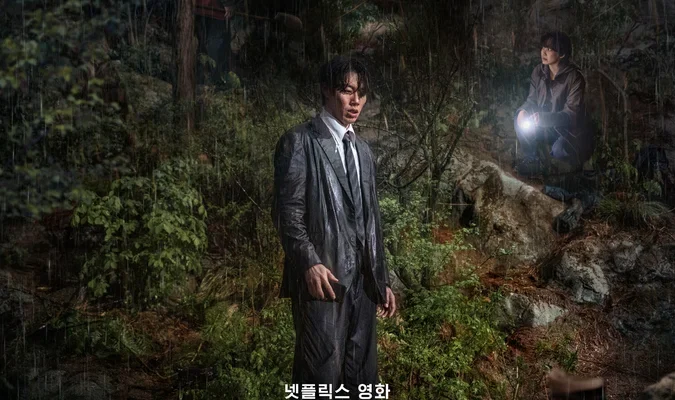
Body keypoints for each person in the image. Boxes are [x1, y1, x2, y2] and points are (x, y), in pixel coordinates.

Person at [272, 55, 396, 398]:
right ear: (326, 90)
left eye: (362, 93)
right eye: (346, 90)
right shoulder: (300, 141)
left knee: (362, 381)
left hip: (363, 286)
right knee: (319, 379)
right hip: (323, 281)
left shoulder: (363, 151)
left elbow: (371, 221)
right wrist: (308, 262)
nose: (356, 101)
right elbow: (287, 213)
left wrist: (381, 278)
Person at [514, 31, 594, 178]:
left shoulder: (575, 78)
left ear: (561, 54)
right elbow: (532, 100)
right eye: (543, 47)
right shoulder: (539, 71)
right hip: (545, 126)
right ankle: (532, 160)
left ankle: (569, 170)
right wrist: (523, 110)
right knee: (520, 118)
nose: (543, 52)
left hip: (567, 131)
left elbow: (571, 115)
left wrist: (544, 118)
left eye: (549, 49)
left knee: (559, 151)